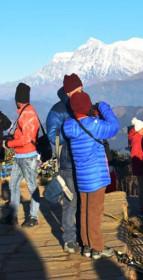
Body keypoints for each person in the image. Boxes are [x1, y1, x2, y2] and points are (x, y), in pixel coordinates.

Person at [63, 92, 119, 260]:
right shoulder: (93, 125)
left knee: (84, 210)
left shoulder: (70, 126)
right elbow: (113, 126)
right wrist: (103, 106)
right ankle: (97, 248)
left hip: (82, 177)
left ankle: (87, 245)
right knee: (95, 212)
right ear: (87, 106)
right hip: (96, 176)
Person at [45, 73, 83, 253]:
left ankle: (82, 235)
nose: (81, 92)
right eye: (77, 90)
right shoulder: (58, 110)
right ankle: (69, 239)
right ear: (68, 92)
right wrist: (72, 129)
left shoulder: (83, 105)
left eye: (81, 89)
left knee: (82, 200)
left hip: (83, 161)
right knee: (71, 201)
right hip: (68, 162)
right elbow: (53, 137)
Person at [3, 83, 40, 227]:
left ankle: (33, 216)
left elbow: (26, 139)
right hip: (20, 155)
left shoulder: (29, 114)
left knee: (32, 186)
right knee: (13, 185)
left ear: (17, 99)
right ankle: (13, 216)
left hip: (28, 155)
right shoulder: (25, 112)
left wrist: (8, 144)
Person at [128, 117, 143, 217]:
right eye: (142, 129)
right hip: (141, 166)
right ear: (139, 129)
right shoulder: (138, 139)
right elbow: (138, 154)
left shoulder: (135, 137)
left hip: (139, 166)